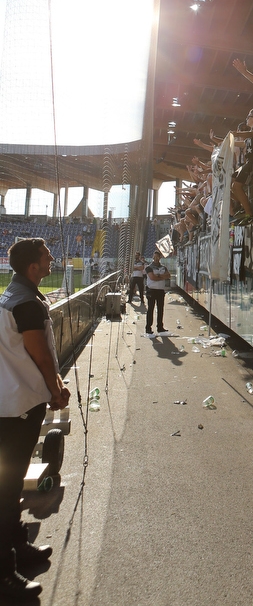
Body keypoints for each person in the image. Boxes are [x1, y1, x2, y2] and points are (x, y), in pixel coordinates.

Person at [0, 238, 71, 601]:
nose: (51, 260)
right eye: (46, 256)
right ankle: (4, 575)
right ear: (33, 267)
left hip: (12, 403)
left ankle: (17, 549)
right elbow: (41, 357)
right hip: (19, 407)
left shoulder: (15, 295)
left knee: (10, 488)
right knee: (7, 490)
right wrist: (57, 390)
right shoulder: (26, 302)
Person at [230, 109, 253, 224]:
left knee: (237, 185)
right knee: (231, 181)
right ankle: (242, 205)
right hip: (248, 162)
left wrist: (237, 134)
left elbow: (251, 134)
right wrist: (221, 141)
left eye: (248, 117)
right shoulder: (251, 133)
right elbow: (241, 143)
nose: (246, 119)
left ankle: (249, 212)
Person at [145, 249, 171, 336]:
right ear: (153, 257)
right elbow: (152, 278)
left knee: (160, 310)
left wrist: (158, 276)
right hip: (151, 291)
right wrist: (162, 277)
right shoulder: (149, 267)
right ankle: (148, 328)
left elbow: (168, 276)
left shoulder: (163, 267)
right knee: (150, 309)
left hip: (160, 291)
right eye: (154, 257)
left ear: (160, 258)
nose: (156, 258)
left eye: (157, 257)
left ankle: (160, 327)